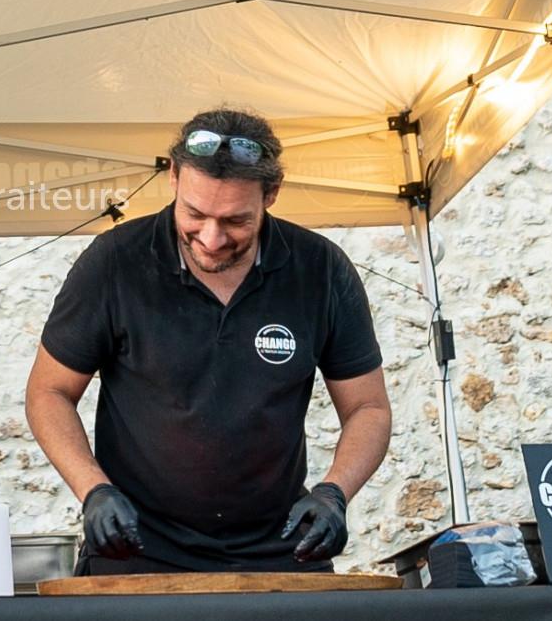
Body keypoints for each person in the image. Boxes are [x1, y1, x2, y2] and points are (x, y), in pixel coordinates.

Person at [25, 108, 391, 575]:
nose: (212, 238)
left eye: (236, 220)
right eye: (195, 214)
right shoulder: (115, 262)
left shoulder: (319, 269)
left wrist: (334, 493)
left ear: (272, 194)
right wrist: (94, 490)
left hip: (279, 548)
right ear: (174, 176)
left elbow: (368, 408)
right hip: (137, 546)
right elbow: (48, 392)